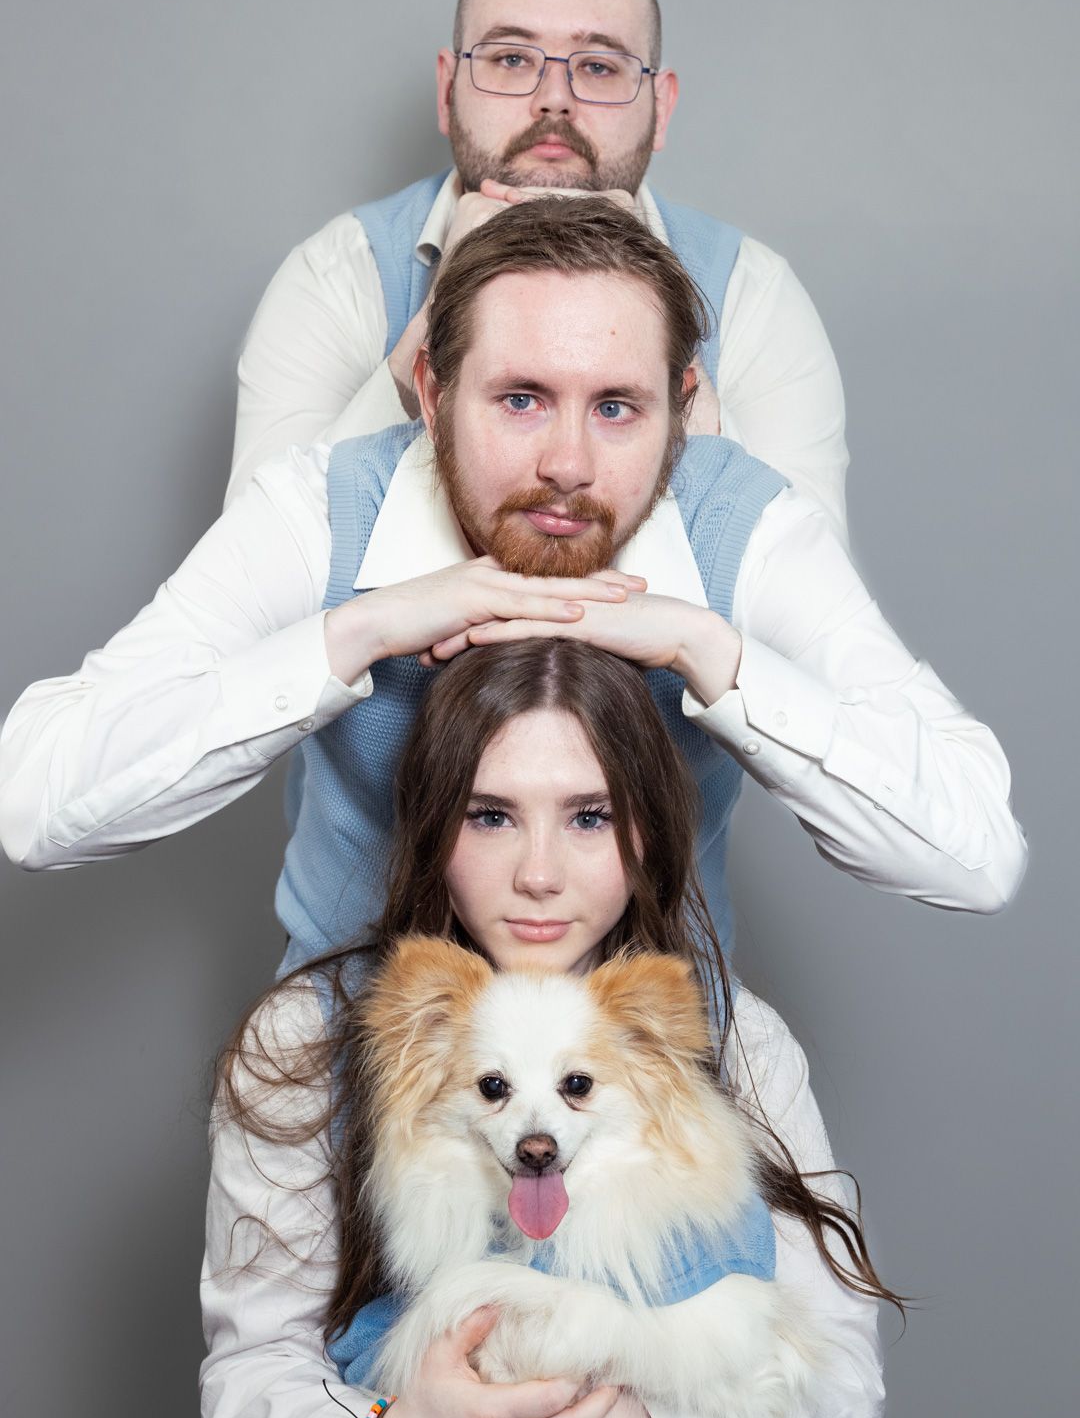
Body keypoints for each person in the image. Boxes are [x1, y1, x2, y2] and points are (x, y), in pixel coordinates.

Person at [0, 198, 1026, 972]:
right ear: (436, 393)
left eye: (618, 407)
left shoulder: (743, 523)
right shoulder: (317, 508)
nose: (569, 464)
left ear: (682, 406)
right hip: (355, 1071)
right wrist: (357, 632)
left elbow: (976, 855)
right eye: (523, 399)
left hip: (653, 1088)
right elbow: (36, 801)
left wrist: (713, 654)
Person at [202, 638, 894, 1418]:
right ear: (432, 825)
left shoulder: (738, 1041)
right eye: (491, 815)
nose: (538, 875)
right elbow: (253, 1376)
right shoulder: (306, 1044)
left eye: (588, 816)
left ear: (646, 830)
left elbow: (844, 1406)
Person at [227, 0, 850, 541]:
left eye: (600, 66)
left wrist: (654, 302)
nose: (554, 100)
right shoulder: (339, 275)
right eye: (511, 58)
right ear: (448, 92)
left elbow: (810, 596)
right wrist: (433, 319)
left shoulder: (752, 292)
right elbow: (253, 568)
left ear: (660, 108)